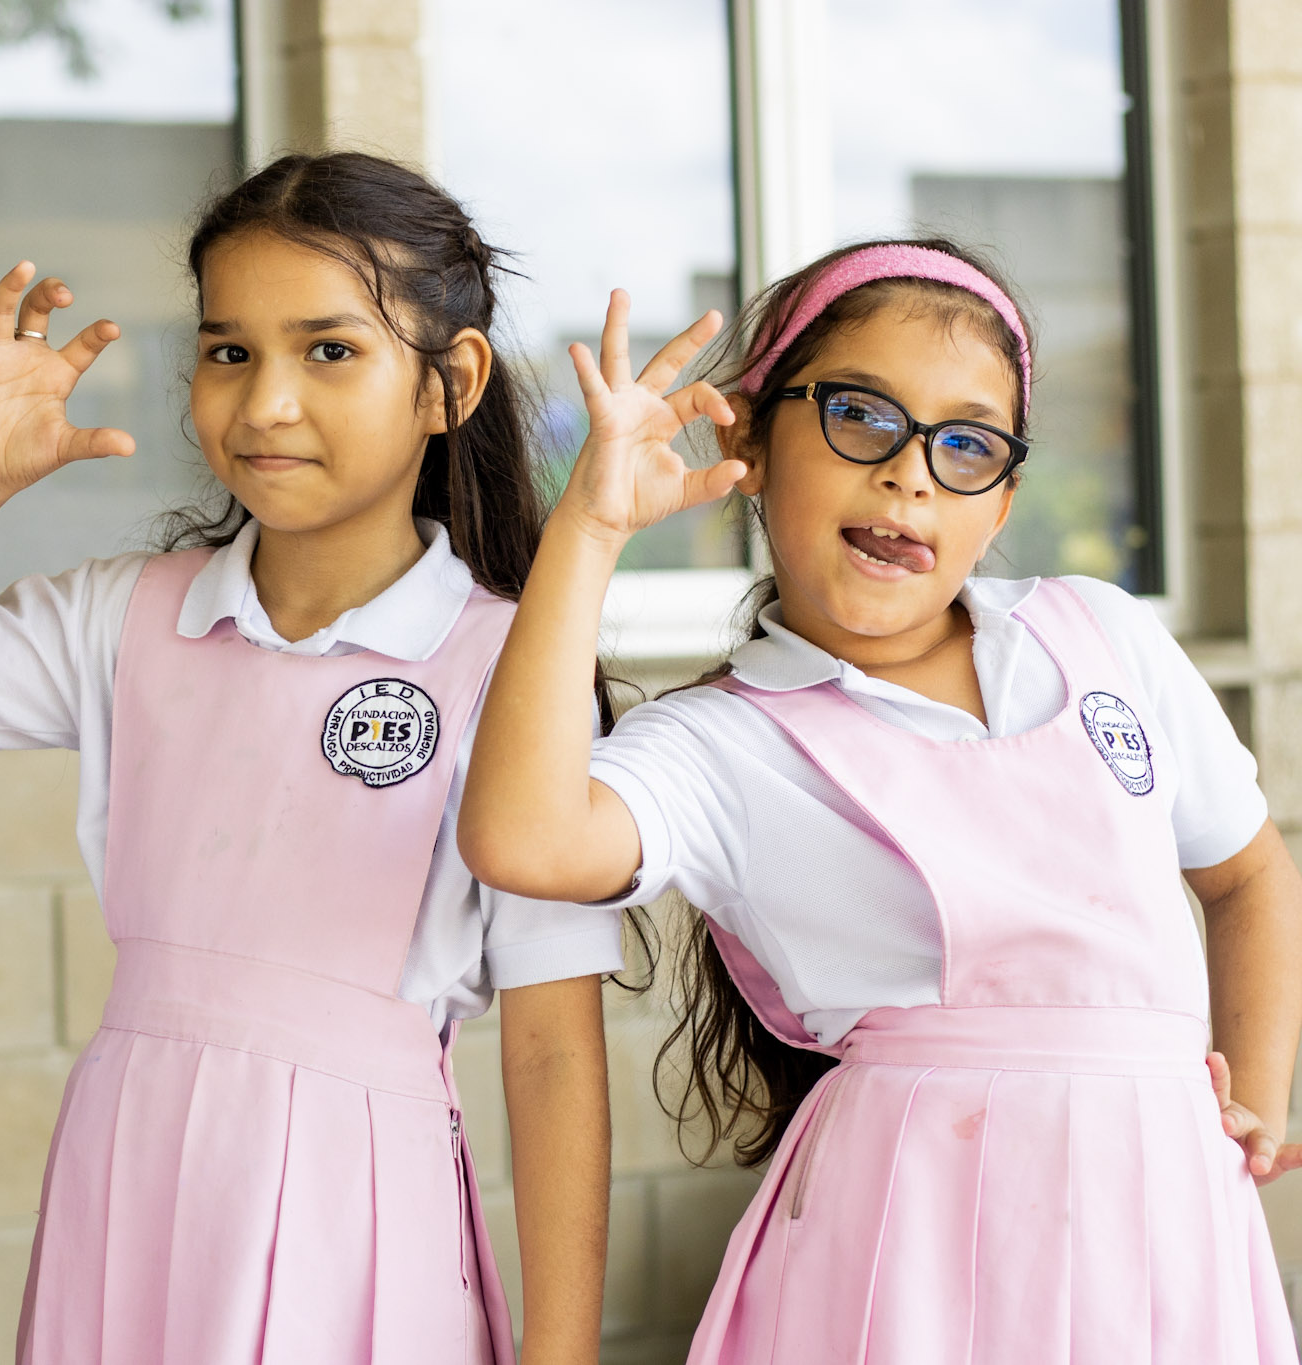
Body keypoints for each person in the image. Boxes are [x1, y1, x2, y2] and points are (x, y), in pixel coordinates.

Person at [0, 152, 618, 1364]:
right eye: (228, 350)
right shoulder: (120, 615)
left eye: (329, 350)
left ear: (447, 383)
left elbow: (553, 1054)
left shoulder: (515, 665)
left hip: (363, 1214)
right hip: (128, 1181)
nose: (264, 405)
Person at [459, 238, 1302, 1363]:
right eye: (860, 415)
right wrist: (591, 530)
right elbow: (520, 839)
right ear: (748, 440)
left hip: (1162, 1244)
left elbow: (1246, 873)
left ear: (1001, 502)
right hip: (904, 1260)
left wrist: (1251, 1111)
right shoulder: (721, 743)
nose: (911, 473)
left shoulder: (1101, 634)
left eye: (967, 444)